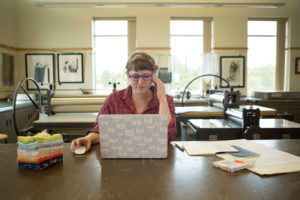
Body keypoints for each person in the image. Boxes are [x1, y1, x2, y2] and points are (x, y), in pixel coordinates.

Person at [71, 52, 177, 153]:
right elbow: (100, 130)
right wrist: (88, 139)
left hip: (155, 159)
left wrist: (162, 99)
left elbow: (169, 135)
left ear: (153, 75)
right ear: (127, 75)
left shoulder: (166, 100)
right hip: (119, 157)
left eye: (146, 76)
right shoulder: (114, 100)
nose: (141, 82)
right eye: (135, 76)